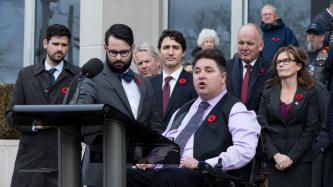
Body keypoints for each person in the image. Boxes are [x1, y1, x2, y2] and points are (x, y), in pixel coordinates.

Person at [127, 49, 260, 187]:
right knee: (127, 175)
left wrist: (204, 165)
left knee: (171, 176)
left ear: (223, 77)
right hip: (168, 173)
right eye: (197, 71)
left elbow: (244, 151)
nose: (201, 76)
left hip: (206, 177)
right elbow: (166, 142)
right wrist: (151, 159)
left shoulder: (236, 109)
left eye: (209, 71)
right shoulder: (183, 110)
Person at [77, 24, 161, 187]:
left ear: (133, 48)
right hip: (101, 171)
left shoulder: (144, 83)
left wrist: (149, 155)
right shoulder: (93, 79)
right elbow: (81, 118)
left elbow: (154, 127)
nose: (118, 58)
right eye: (113, 52)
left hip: (138, 174)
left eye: (124, 52)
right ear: (105, 47)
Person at [5, 24, 81, 187]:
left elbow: (83, 117)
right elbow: (11, 115)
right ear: (45, 43)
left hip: (64, 158)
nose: (60, 49)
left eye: (64, 45)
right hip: (31, 159)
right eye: (56, 44)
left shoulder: (79, 76)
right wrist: (34, 125)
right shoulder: (26, 75)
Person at [259, 45, 319, 187]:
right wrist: (275, 155)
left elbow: (310, 129)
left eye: (286, 61)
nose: (281, 65)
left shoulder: (309, 92)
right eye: (278, 62)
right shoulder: (268, 92)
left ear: (298, 65)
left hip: (300, 163)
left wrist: (291, 158)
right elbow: (262, 127)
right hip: (274, 162)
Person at [150, 30, 197, 131]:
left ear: (183, 52)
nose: (170, 53)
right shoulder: (149, 84)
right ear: (159, 52)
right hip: (151, 144)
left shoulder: (194, 83)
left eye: (175, 48)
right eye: (166, 47)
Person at [227, 23, 271, 111]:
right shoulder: (226, 67)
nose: (244, 47)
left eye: (250, 43)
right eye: (241, 43)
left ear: (260, 46)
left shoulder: (271, 70)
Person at [306, 22, 333, 90]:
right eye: (309, 33)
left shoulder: (329, 52)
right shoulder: (302, 53)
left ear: (322, 37)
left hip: (322, 95)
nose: (311, 36)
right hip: (304, 95)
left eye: (315, 33)